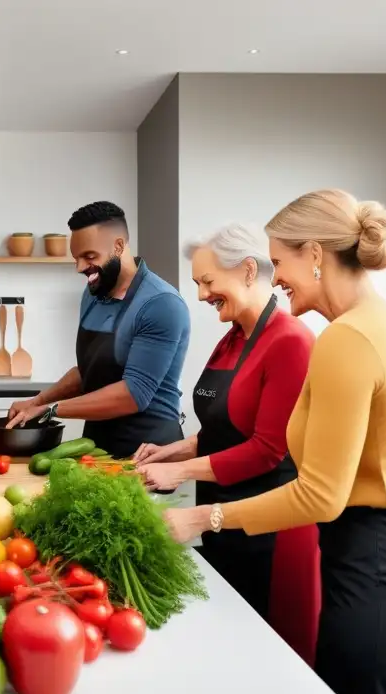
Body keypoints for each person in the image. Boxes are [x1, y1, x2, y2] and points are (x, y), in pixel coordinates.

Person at [163, 190, 386, 694]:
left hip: (380, 570)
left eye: (282, 262)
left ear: (317, 254)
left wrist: (204, 517)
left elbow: (320, 494)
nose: (277, 280)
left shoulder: (345, 340)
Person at [134, 224, 320, 665]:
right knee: (227, 650)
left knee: (270, 659)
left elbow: (267, 449)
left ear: (248, 271)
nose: (200, 295)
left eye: (207, 282)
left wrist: (178, 473)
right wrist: (175, 450)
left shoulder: (291, 341)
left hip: (270, 530)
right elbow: (224, 428)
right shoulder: (232, 337)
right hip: (220, 519)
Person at [7, 201, 191, 458]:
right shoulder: (94, 294)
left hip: (149, 453)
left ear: (118, 246)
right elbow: (90, 371)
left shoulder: (161, 304)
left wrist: (51, 409)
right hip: (97, 448)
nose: (80, 267)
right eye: (76, 258)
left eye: (89, 257)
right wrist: (37, 402)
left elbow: (133, 394)